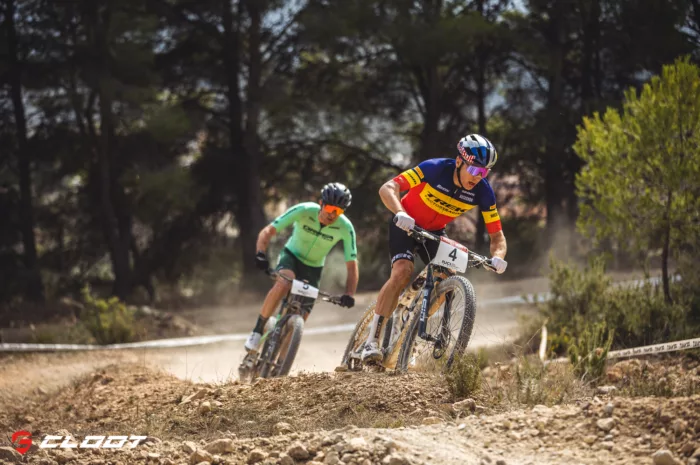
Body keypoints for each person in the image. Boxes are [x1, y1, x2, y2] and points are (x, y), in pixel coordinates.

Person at [361, 134, 508, 362]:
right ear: (459, 161)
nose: (478, 177)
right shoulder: (434, 168)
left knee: (447, 273)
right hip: (406, 224)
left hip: (435, 232)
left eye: (485, 172)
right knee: (402, 272)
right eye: (475, 170)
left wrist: (498, 257)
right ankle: (371, 341)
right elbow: (388, 188)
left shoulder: (483, 192)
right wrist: (400, 212)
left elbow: (496, 235)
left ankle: (409, 325)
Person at [243, 182, 359, 353]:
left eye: (339, 211)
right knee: (283, 283)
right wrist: (260, 253)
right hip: (291, 257)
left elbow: (352, 264)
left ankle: (281, 365)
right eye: (330, 208)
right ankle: (257, 330)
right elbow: (268, 231)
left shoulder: (345, 227)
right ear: (321, 203)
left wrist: (349, 293)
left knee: (302, 317)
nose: (332, 214)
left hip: (313, 268)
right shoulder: (304, 210)